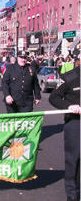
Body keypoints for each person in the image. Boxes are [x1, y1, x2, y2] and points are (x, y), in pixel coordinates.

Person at [49, 66, 80, 201]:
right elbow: (54, 98)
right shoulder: (69, 77)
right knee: (73, 160)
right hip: (75, 122)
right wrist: (69, 106)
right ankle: (72, 194)